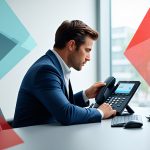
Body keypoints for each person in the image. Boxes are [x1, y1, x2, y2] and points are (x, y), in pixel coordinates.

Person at [13, 20, 116, 128]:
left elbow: (61, 104)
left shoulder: (55, 66)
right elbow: (66, 113)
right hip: (31, 142)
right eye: (87, 50)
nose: (89, 58)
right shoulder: (45, 71)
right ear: (71, 45)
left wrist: (86, 94)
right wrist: (100, 112)